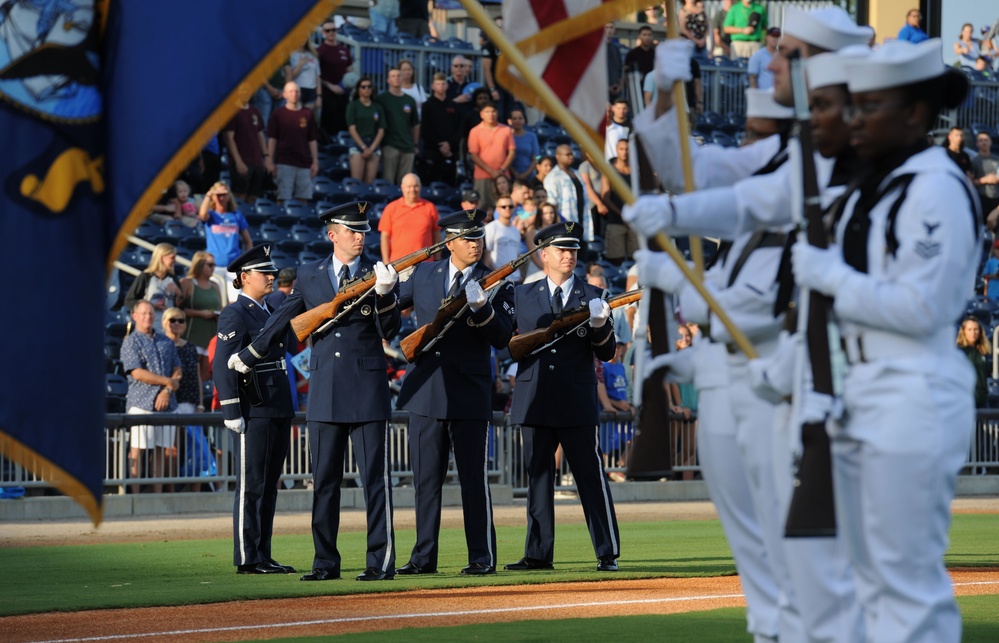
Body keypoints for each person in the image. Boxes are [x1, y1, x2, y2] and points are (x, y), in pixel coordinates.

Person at [789, 39, 980, 642]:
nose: (854, 119)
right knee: (867, 581)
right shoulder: (876, 184)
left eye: (869, 106)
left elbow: (922, 308)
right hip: (864, 386)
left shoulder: (935, 187)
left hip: (912, 388)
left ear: (916, 114)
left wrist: (829, 276)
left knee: (905, 584)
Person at [228, 202, 401, 581]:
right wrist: (252, 352)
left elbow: (390, 330)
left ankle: (380, 562)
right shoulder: (310, 274)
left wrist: (386, 294)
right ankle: (325, 562)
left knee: (376, 481)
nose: (360, 237)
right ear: (332, 234)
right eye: (352, 230)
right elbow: (284, 316)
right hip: (325, 390)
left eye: (364, 231)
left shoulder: (381, 273)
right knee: (323, 483)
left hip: (368, 388)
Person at [394, 209, 515, 576]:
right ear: (449, 242)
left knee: (473, 482)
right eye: (467, 238)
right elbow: (389, 313)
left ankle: (481, 556)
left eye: (478, 238)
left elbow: (503, 337)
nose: (475, 244)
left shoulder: (496, 281)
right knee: (426, 482)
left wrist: (483, 311)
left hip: (469, 392)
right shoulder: (424, 274)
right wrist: (383, 289)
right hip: (427, 391)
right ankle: (422, 557)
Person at [504, 222, 620, 573]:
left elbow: (607, 352)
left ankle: (607, 551)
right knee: (538, 479)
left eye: (572, 250)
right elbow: (510, 347)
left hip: (575, 400)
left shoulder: (594, 293)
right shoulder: (521, 295)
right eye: (561, 250)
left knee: (590, 478)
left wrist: (600, 327)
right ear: (543, 255)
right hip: (535, 397)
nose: (568, 256)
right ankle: (537, 553)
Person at [212, 244, 296, 575]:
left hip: (276, 406)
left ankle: (263, 553)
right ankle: (248, 557)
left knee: (269, 485)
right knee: (252, 486)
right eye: (265, 273)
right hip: (253, 409)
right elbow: (223, 365)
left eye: (272, 272)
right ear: (245, 277)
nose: (271, 277)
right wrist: (231, 409)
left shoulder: (266, 310)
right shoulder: (235, 313)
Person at [121, 300, 182, 495]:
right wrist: (167, 382)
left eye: (150, 313)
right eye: (144, 313)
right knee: (138, 451)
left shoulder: (166, 341)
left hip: (167, 404)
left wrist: (167, 390)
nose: (148, 316)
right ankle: (136, 497)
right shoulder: (131, 341)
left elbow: (178, 370)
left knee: (160, 452)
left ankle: (157, 495)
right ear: (135, 316)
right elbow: (136, 372)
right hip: (141, 403)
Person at [161, 307, 202, 485]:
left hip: (190, 402)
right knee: (172, 448)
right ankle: (171, 488)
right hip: (171, 401)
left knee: (196, 447)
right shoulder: (161, 345)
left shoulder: (191, 347)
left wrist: (200, 403)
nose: (177, 324)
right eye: (172, 320)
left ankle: (194, 489)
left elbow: (198, 377)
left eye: (180, 320)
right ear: (164, 323)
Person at [198, 181, 253, 306]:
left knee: (235, 301)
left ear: (229, 196)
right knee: (216, 301)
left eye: (224, 194)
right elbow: (202, 215)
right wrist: (209, 195)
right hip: (214, 266)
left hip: (233, 265)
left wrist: (248, 262)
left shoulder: (236, 215)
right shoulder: (211, 216)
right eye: (218, 194)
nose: (221, 197)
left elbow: (248, 241)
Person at [266, 82, 319, 205]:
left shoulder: (307, 114)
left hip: (304, 162)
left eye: (297, 91)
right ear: (284, 95)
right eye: (291, 91)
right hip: (284, 162)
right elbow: (272, 139)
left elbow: (312, 139)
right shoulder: (278, 114)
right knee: (283, 197)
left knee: (303, 198)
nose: (294, 94)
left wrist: (315, 161)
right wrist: (269, 160)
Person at [378, 173, 440, 264]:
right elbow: (385, 237)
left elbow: (436, 233)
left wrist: (437, 259)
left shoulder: (430, 207)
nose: (412, 189)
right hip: (399, 264)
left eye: (416, 186)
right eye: (409, 186)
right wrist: (386, 261)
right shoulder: (391, 208)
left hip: (425, 263)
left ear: (420, 187)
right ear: (402, 187)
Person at [180, 251, 223, 380]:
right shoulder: (187, 283)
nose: (213, 268)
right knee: (189, 374)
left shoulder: (215, 285)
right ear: (199, 265)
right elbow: (178, 310)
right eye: (210, 265)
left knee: (206, 376)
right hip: (193, 335)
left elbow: (219, 308)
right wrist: (200, 313)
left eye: (214, 265)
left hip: (210, 336)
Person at [223, 87, 269, 204]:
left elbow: (260, 134)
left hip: (256, 161)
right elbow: (229, 138)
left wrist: (266, 156)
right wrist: (238, 161)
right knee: (239, 195)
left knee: (254, 196)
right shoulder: (232, 111)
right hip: (242, 160)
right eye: (242, 91)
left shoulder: (255, 111)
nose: (245, 93)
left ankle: (250, 221)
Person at [124, 242, 184, 330]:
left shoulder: (173, 279)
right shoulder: (146, 277)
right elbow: (129, 300)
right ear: (162, 258)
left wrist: (179, 294)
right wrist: (151, 306)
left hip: (168, 328)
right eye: (172, 257)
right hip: (148, 327)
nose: (174, 261)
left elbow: (180, 306)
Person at [467, 101, 515, 212]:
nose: (491, 114)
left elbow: (512, 152)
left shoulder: (506, 130)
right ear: (481, 114)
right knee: (483, 207)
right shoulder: (475, 131)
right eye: (487, 112)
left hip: (503, 176)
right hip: (482, 176)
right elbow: (474, 155)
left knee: (504, 206)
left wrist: (501, 170)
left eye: (493, 111)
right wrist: (490, 171)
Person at [376, 66, 420, 185]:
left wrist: (415, 144)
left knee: (406, 184)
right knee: (388, 181)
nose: (396, 78)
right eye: (393, 76)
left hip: (407, 146)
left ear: (402, 78)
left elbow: (415, 124)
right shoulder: (381, 99)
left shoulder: (410, 100)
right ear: (388, 80)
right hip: (389, 145)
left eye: (399, 75)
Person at [601, 138, 637, 265]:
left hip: (634, 221)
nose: (624, 152)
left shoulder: (636, 171)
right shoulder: (610, 171)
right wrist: (621, 214)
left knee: (636, 259)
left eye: (627, 149)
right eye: (621, 149)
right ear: (616, 150)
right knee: (616, 259)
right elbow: (605, 197)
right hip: (615, 220)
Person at [544, 144, 590, 242]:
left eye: (572, 154)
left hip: (581, 222)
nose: (571, 156)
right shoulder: (552, 177)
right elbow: (552, 203)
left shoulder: (577, 173)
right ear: (558, 156)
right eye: (568, 154)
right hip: (565, 225)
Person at [421, 72, 460, 185]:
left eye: (443, 83)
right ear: (433, 86)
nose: (441, 86)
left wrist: (449, 144)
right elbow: (425, 129)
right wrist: (440, 145)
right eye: (438, 84)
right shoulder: (427, 105)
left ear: (447, 86)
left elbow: (459, 129)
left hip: (451, 152)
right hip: (432, 151)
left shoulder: (454, 105)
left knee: (451, 183)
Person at [345, 76, 385, 184]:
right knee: (356, 182)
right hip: (358, 143)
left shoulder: (378, 107)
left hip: (373, 143)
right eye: (363, 87)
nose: (366, 89)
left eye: (369, 86)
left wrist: (371, 149)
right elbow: (352, 128)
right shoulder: (353, 106)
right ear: (358, 89)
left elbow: (381, 130)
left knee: (370, 182)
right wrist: (363, 147)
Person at [317, 20, 353, 137]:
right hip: (327, 94)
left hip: (343, 94)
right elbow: (316, 75)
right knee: (328, 128)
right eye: (328, 30)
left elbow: (350, 70)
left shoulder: (344, 50)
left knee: (343, 125)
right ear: (323, 32)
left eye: (333, 30)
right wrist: (330, 86)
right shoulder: (320, 51)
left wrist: (347, 85)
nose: (331, 33)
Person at [484, 195, 524, 282]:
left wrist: (520, 275)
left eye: (510, 206)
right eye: (503, 207)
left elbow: (516, 256)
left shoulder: (516, 231)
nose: (507, 209)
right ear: (497, 209)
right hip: (498, 279)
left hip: (516, 279)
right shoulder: (490, 228)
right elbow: (487, 254)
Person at [958, 317, 991, 409]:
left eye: (976, 329)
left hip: (982, 399)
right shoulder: (958, 352)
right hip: (965, 399)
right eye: (969, 329)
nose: (973, 333)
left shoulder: (984, 351)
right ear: (964, 331)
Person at [285, 37, 320, 112]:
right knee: (296, 117)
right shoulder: (291, 55)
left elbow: (318, 77)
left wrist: (319, 96)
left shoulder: (313, 55)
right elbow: (291, 76)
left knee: (307, 118)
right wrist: (300, 64)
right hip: (298, 90)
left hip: (312, 90)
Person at [508, 108, 539, 183]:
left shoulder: (532, 136)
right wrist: (515, 174)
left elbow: (536, 157)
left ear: (524, 120)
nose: (517, 121)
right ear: (509, 121)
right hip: (511, 176)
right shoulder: (507, 136)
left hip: (529, 175)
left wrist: (526, 174)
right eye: (514, 118)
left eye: (520, 118)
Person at [972, 131, 999, 216]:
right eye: (981, 140)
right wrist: (984, 180)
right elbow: (970, 183)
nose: (984, 142)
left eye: (986, 140)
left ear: (991, 142)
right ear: (977, 144)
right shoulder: (974, 161)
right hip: (982, 199)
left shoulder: (997, 159)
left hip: (997, 199)